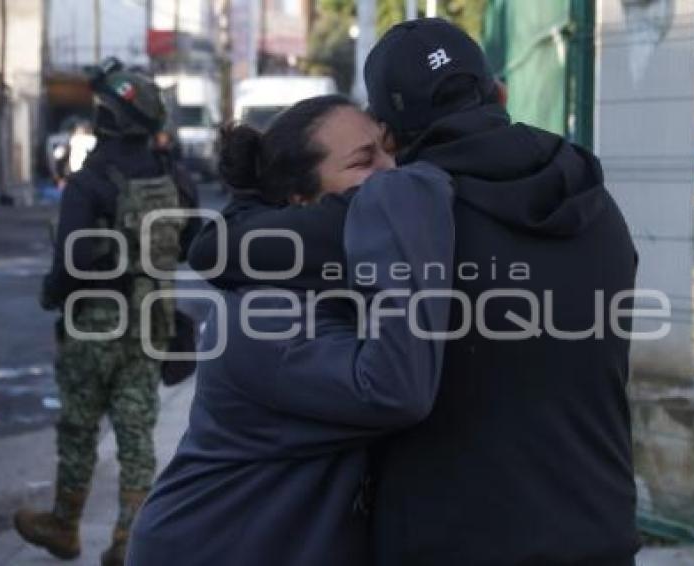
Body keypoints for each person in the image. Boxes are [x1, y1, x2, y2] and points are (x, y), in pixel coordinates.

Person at [188, 19, 640, 566]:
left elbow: (217, 249)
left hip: (454, 544)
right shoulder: (596, 203)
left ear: (391, 135)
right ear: (499, 94)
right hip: (599, 531)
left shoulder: (405, 214)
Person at [127, 94, 455, 565]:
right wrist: (422, 193)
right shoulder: (266, 316)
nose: (393, 171)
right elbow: (392, 390)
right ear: (301, 201)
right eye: (364, 161)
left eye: (389, 151)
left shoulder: (324, 280)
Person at [13, 57, 199, 566]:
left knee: (79, 426)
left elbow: (70, 262)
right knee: (136, 431)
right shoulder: (175, 178)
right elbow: (190, 246)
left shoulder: (91, 182)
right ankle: (128, 539)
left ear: (108, 119)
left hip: (94, 326)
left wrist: (52, 295)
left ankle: (64, 525)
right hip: (150, 324)